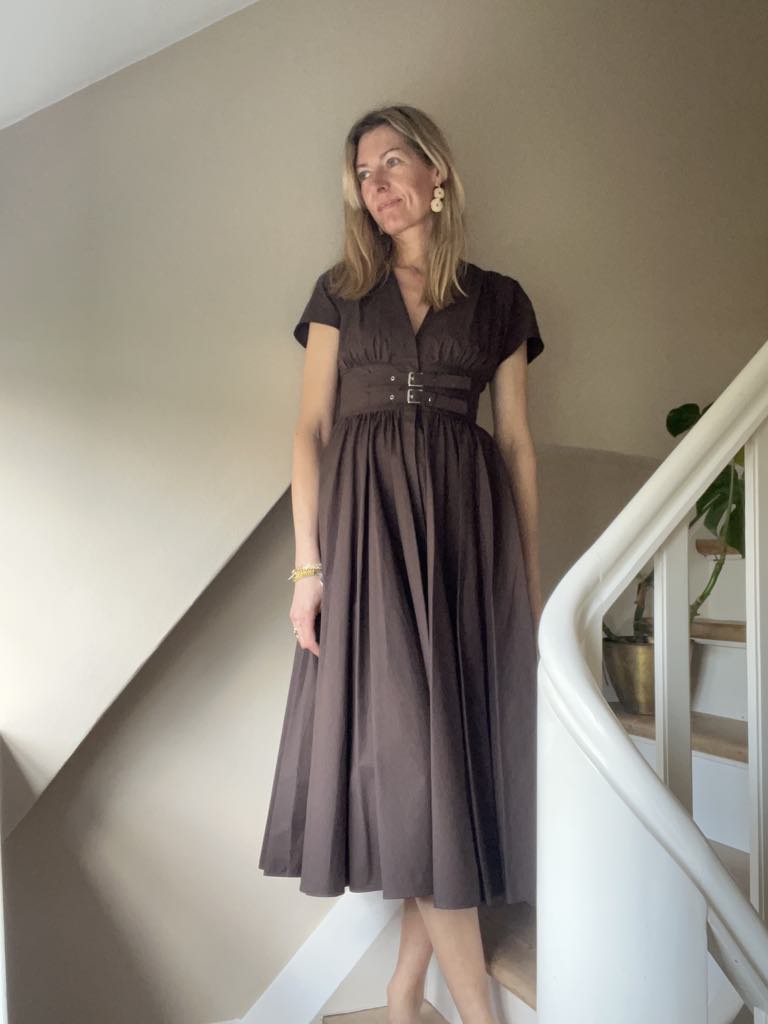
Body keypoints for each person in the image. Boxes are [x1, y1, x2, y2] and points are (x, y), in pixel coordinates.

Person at [259, 104, 545, 1024]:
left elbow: (516, 445)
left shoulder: (501, 301)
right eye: (362, 173)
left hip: (465, 542)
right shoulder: (341, 292)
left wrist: (527, 584)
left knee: (446, 768)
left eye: (391, 163)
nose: (376, 185)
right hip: (367, 540)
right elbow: (310, 429)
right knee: (415, 771)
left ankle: (401, 994)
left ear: (437, 173)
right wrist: (308, 571)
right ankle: (478, 1014)